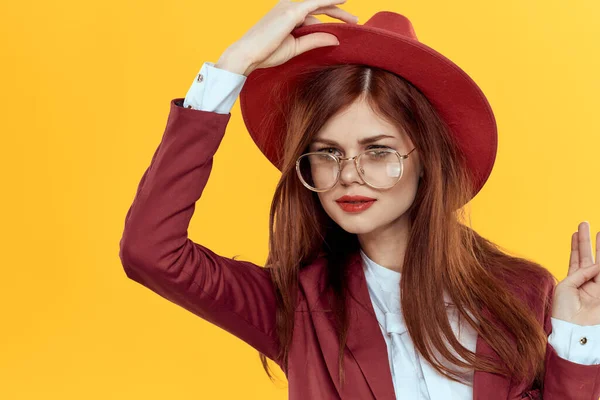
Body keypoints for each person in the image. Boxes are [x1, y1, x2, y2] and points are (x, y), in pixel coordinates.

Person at [118, 1, 600, 399]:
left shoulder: (523, 293)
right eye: (328, 153)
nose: (349, 175)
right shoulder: (298, 305)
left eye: (377, 151)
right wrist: (231, 66)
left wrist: (578, 346)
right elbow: (150, 252)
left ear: (426, 159)